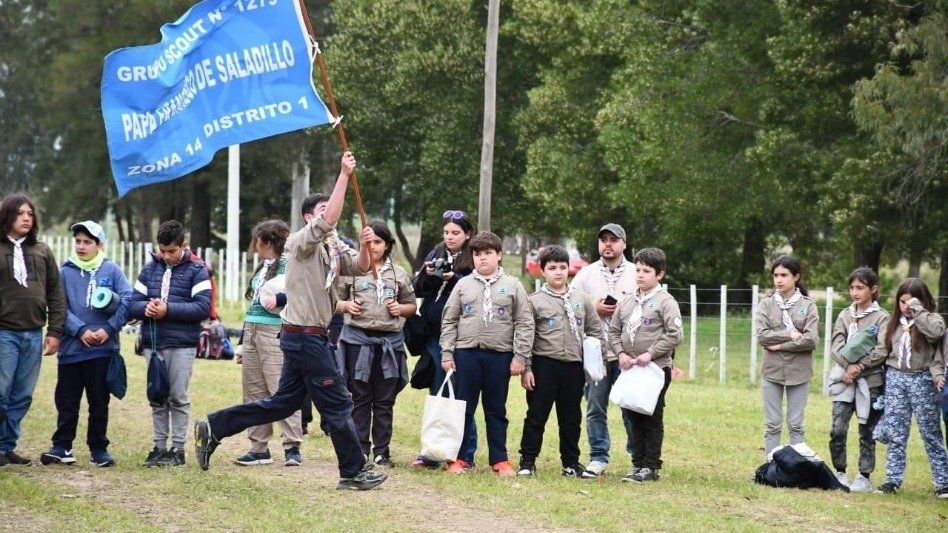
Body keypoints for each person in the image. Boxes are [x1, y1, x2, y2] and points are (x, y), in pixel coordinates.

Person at [194, 152, 388, 491]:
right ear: (308, 217)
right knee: (339, 403)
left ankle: (215, 426)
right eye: (323, 212)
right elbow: (329, 219)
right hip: (306, 337)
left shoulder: (329, 250)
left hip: (304, 337)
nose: (330, 218)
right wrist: (343, 175)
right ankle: (353, 472)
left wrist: (364, 244)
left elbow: (359, 266)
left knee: (282, 403)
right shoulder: (302, 244)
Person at [40, 221, 132, 467]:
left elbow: (127, 299)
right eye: (78, 241)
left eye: (87, 242)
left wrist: (109, 329)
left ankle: (98, 448)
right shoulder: (65, 272)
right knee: (67, 402)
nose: (81, 246)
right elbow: (59, 305)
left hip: (102, 351)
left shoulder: (111, 270)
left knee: (99, 402)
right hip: (71, 351)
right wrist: (79, 330)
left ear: (99, 244)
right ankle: (62, 446)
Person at [440, 231, 532, 476]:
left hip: (499, 356)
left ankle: (499, 459)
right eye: (478, 254)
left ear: (499, 255)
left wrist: (520, 357)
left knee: (496, 409)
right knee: (463, 408)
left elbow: (524, 322)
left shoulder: (513, 285)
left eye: (488, 253)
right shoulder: (463, 284)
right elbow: (449, 320)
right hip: (466, 353)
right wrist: (447, 353)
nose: (482, 259)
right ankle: (458, 458)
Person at [129, 220, 212, 467]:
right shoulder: (148, 270)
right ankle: (158, 447)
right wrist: (146, 307)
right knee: (157, 395)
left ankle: (178, 449)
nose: (165, 256)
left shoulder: (197, 270)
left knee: (177, 396)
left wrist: (168, 310)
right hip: (152, 343)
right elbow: (132, 304)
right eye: (161, 251)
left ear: (183, 246)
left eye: (171, 251)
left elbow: (203, 307)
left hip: (182, 343)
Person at [516, 245, 602, 477]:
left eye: (563, 267)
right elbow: (526, 336)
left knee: (571, 418)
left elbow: (595, 331)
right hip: (544, 365)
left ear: (569, 270)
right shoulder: (534, 302)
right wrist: (527, 368)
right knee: (536, 415)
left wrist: (595, 359)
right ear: (542, 271)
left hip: (573, 367)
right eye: (552, 268)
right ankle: (527, 461)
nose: (558, 272)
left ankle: (571, 463)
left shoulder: (581, 299)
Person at [336, 220, 416, 467]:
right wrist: (347, 305)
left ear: (388, 244)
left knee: (384, 401)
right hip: (358, 341)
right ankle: (360, 449)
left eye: (378, 242)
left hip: (388, 344)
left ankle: (382, 452)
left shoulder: (399, 273)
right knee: (359, 398)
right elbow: (334, 301)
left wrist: (399, 308)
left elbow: (412, 306)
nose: (374, 247)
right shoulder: (352, 271)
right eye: (369, 242)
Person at [0, 194, 65, 467]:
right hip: (4, 332)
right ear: (7, 216)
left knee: (22, 395)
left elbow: (55, 293)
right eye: (20, 213)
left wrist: (55, 331)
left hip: (34, 333)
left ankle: (5, 447)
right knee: (1, 392)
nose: (27, 218)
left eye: (30, 213)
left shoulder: (42, 250)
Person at [410, 209, 478, 468]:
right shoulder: (436, 252)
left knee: (458, 396)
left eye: (456, 233)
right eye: (447, 232)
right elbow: (417, 288)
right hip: (432, 333)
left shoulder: (474, 255)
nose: (449, 237)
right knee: (436, 393)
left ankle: (464, 454)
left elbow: (477, 290)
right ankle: (433, 452)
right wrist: (428, 273)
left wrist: (455, 278)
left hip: (460, 335)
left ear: (467, 234)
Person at [234, 219, 304, 467]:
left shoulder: (290, 265)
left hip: (274, 331)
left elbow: (299, 293)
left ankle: (292, 446)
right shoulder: (264, 267)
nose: (255, 245)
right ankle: (258, 447)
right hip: (253, 329)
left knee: (280, 388)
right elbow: (252, 307)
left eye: (257, 240)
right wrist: (243, 341)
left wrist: (279, 298)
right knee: (254, 391)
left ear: (267, 242)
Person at [608, 247, 683, 482]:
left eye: (646, 271)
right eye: (638, 270)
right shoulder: (628, 301)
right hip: (630, 368)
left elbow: (674, 334)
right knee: (631, 415)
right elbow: (613, 330)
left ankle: (651, 466)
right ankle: (637, 463)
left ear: (659, 274)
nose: (640, 275)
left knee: (650, 416)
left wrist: (650, 353)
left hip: (654, 368)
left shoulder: (665, 302)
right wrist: (620, 353)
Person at [569, 223, 636, 479]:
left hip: (627, 353)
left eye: (613, 240)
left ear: (623, 244)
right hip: (596, 353)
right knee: (596, 407)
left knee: (630, 407)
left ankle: (636, 455)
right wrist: (593, 310)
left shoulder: (635, 272)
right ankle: (598, 456)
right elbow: (571, 307)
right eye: (604, 240)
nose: (608, 244)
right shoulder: (585, 275)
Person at [874, 278, 948, 497]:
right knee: (897, 433)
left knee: (930, 432)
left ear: (922, 301)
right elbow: (883, 350)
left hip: (922, 379)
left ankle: (943, 481)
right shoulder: (893, 324)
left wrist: (917, 310)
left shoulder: (931, 320)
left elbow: (936, 333)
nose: (906, 306)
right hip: (896, 379)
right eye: (903, 301)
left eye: (912, 302)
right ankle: (892, 480)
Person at [826, 267, 888, 492]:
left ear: (873, 289)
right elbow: (836, 345)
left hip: (870, 381)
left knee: (867, 430)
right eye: (852, 287)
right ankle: (839, 471)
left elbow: (882, 349)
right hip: (844, 379)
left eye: (860, 287)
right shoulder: (844, 315)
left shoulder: (881, 318)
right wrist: (848, 367)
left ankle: (864, 475)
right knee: (838, 428)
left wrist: (860, 367)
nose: (855, 292)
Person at [755, 255, 819, 457]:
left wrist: (780, 344)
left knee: (795, 424)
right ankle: (771, 467)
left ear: (796, 276)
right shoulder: (766, 304)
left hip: (799, 371)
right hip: (772, 370)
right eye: (775, 275)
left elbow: (811, 340)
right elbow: (762, 336)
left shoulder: (808, 305)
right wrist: (790, 334)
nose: (779, 280)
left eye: (784, 275)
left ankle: (796, 469)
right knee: (772, 424)